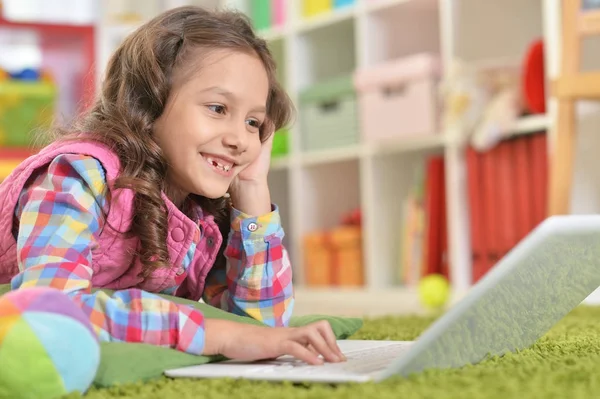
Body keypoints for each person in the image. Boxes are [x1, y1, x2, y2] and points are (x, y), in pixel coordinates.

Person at [0, 5, 346, 366]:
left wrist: (252, 187)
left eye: (253, 122)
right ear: (148, 103)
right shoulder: (77, 177)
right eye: (217, 108)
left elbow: (262, 328)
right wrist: (216, 334)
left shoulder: (201, 212)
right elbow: (51, 313)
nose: (241, 140)